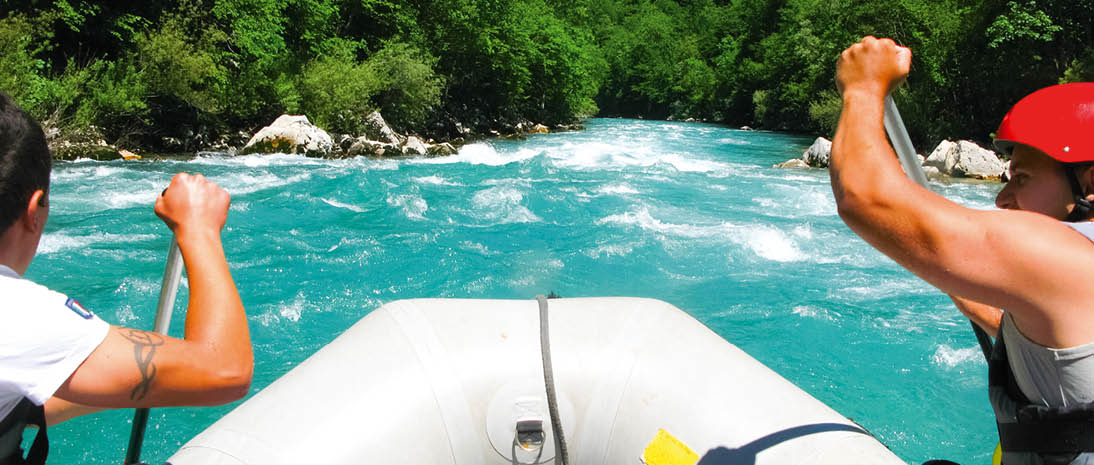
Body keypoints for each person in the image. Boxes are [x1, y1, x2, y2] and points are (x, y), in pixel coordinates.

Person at [831, 37, 1094, 465]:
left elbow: (864, 199)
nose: (1002, 199)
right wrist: (957, 277)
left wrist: (863, 87)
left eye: (1022, 178)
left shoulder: (1067, 257)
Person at [0, 92, 253, 464]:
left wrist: (118, 379)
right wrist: (199, 228)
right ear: (34, 209)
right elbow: (226, 369)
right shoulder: (19, 313)